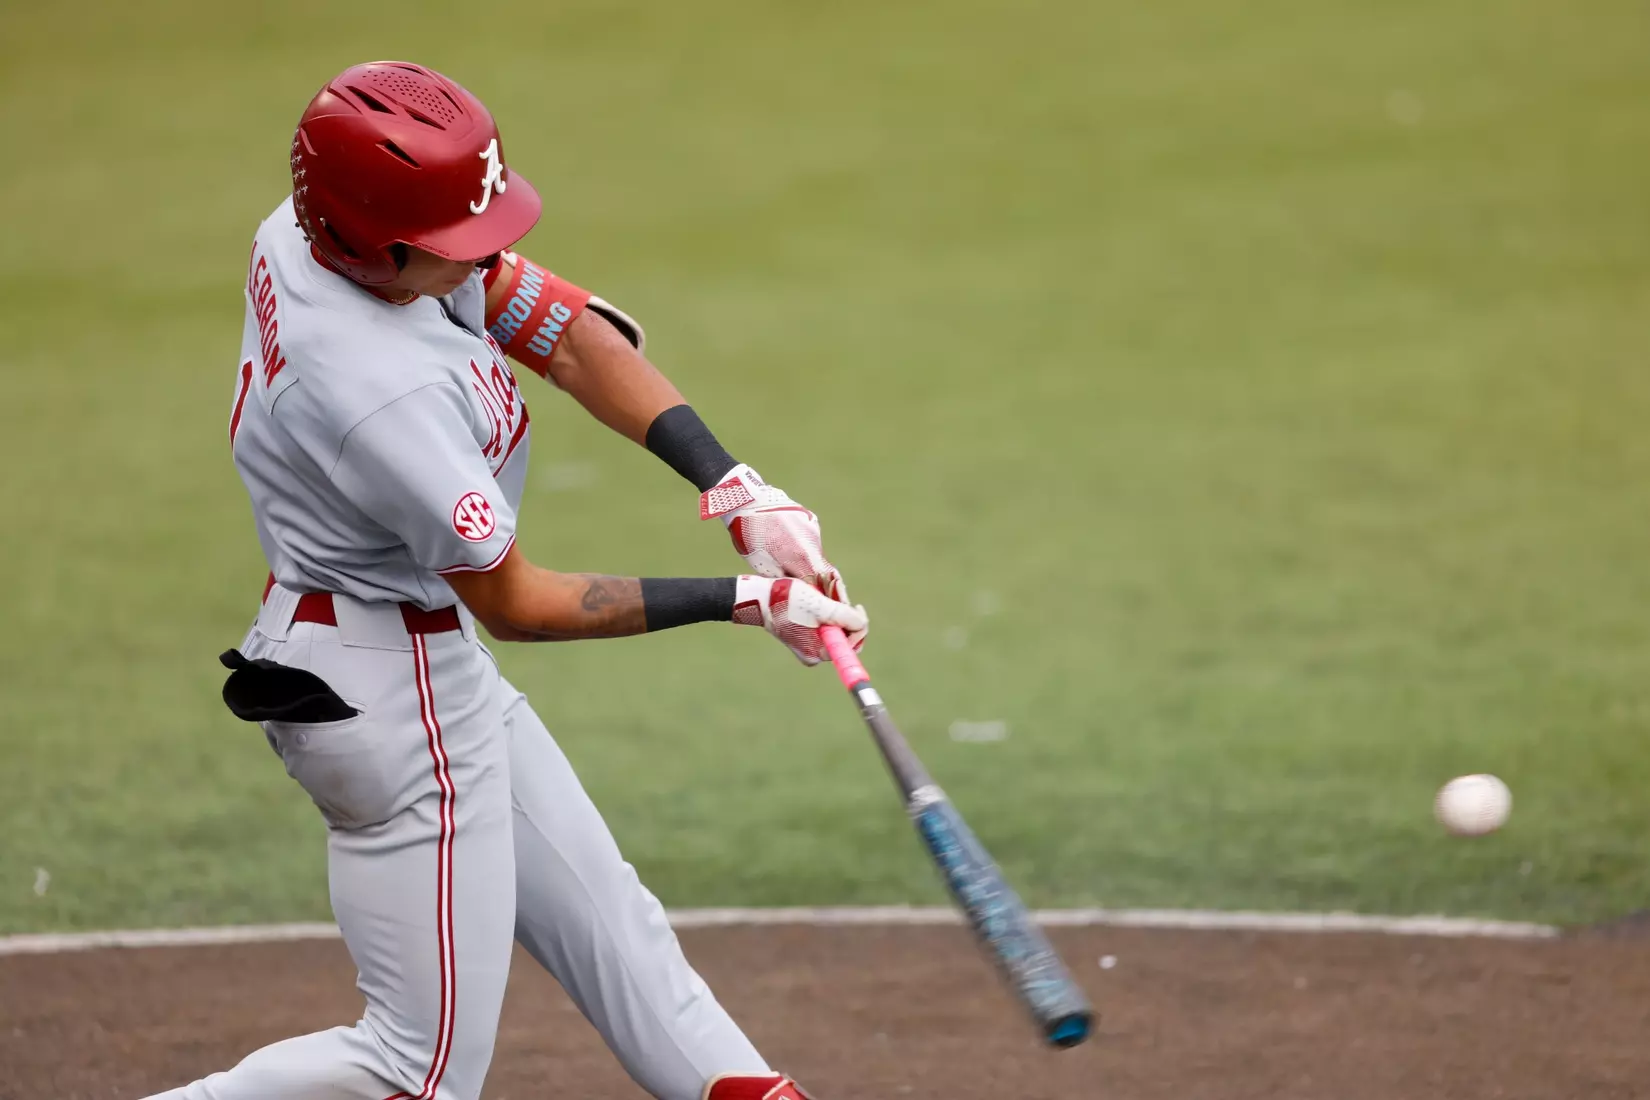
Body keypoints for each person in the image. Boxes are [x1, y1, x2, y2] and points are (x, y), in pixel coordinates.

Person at [148, 60, 867, 1100]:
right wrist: (746, 600)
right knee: (412, 1072)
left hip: (404, 653)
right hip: (394, 698)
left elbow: (567, 335)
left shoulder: (327, 229)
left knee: (613, 925)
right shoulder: (376, 393)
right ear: (370, 237)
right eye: (454, 241)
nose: (482, 254)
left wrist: (736, 488)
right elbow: (518, 602)